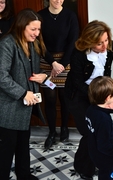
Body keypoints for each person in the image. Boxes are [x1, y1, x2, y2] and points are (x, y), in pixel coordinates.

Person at [64, 20, 113, 179]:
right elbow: (78, 82)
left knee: (99, 132)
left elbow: (107, 72)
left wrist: (107, 94)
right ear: (88, 41)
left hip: (99, 94)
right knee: (89, 133)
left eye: (106, 40)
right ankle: (83, 168)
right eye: (99, 43)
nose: (105, 46)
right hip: (78, 95)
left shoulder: (111, 47)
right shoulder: (78, 53)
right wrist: (97, 97)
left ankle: (95, 163)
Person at [0, 8, 47, 180]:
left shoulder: (31, 43)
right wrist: (22, 94)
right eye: (33, 29)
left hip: (25, 107)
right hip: (9, 107)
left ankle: (24, 175)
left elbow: (32, 69)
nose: (37, 33)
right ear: (21, 26)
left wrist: (44, 75)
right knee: (6, 151)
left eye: (38, 29)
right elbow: (1, 76)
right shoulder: (7, 44)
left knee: (22, 145)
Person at [38, 0, 79, 149]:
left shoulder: (70, 16)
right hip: (46, 62)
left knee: (64, 97)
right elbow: (38, 41)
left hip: (65, 63)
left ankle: (64, 128)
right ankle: (51, 132)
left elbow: (73, 41)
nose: (58, 0)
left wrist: (61, 64)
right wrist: (52, 63)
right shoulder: (40, 16)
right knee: (49, 99)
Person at [86, 76, 113, 179]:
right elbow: (104, 146)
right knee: (108, 175)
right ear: (107, 98)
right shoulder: (104, 119)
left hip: (94, 152)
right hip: (106, 157)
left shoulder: (91, 109)